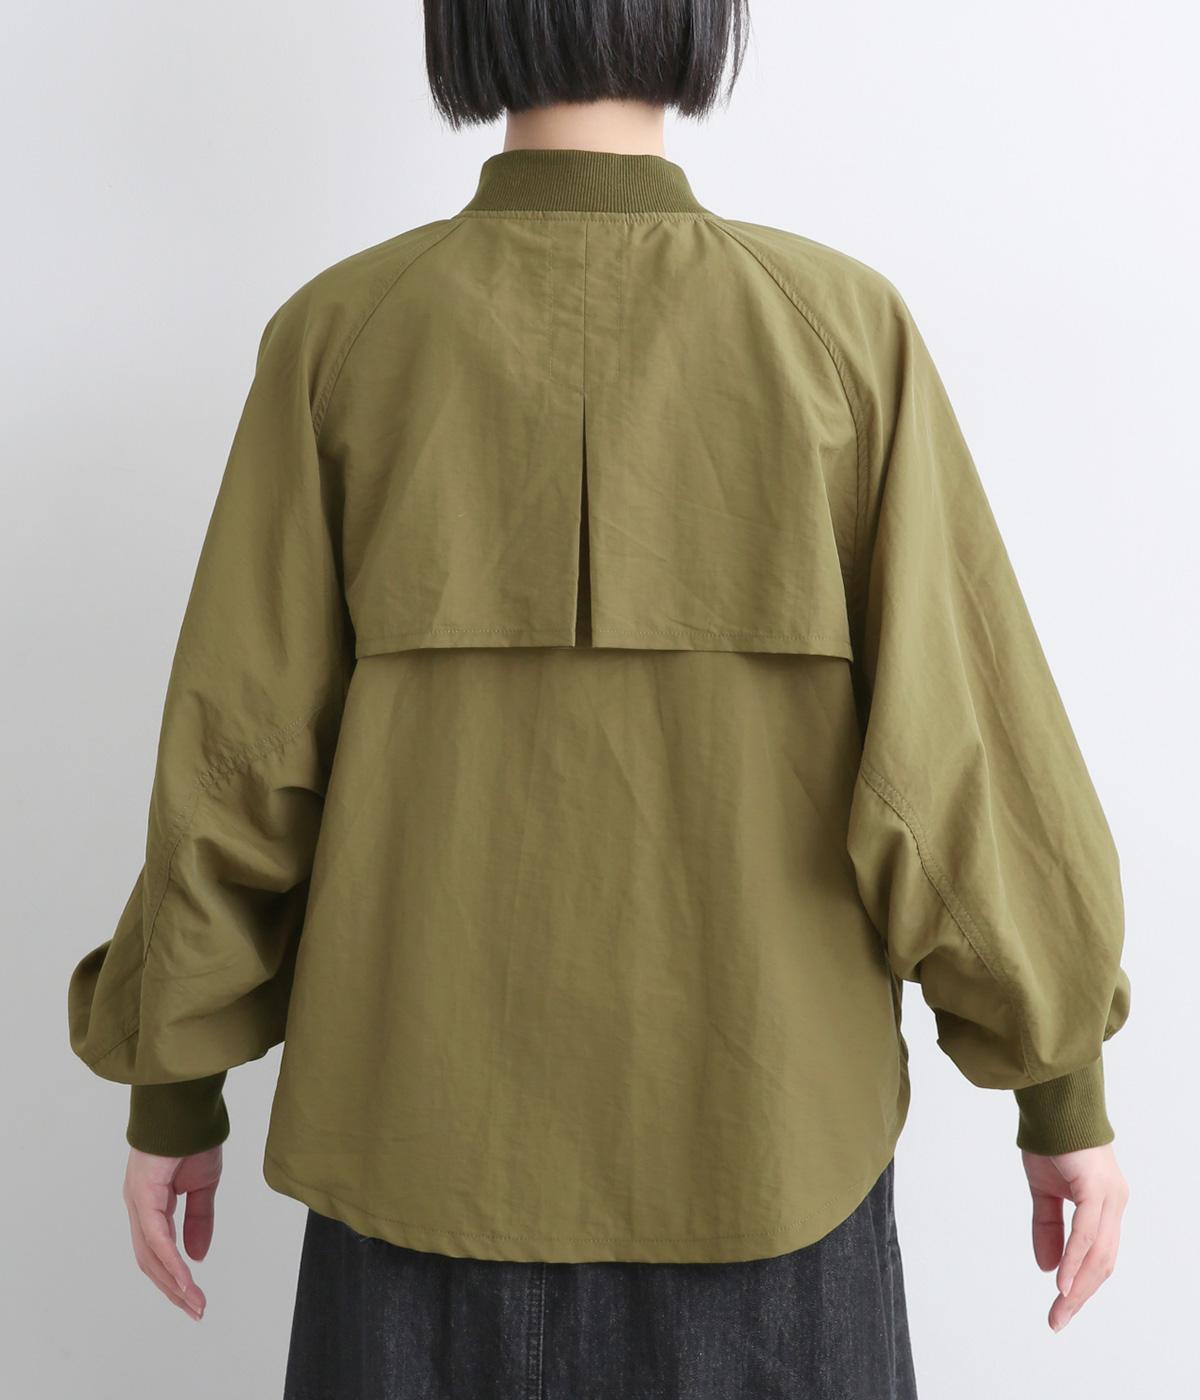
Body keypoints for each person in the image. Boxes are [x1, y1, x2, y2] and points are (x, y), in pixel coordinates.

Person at [66, 2, 1132, 1396]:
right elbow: (959, 761)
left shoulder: (343, 338)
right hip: (767, 1178)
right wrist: (1060, 1092)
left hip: (415, 1181)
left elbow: (237, 766)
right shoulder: (838, 334)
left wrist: (174, 1092)